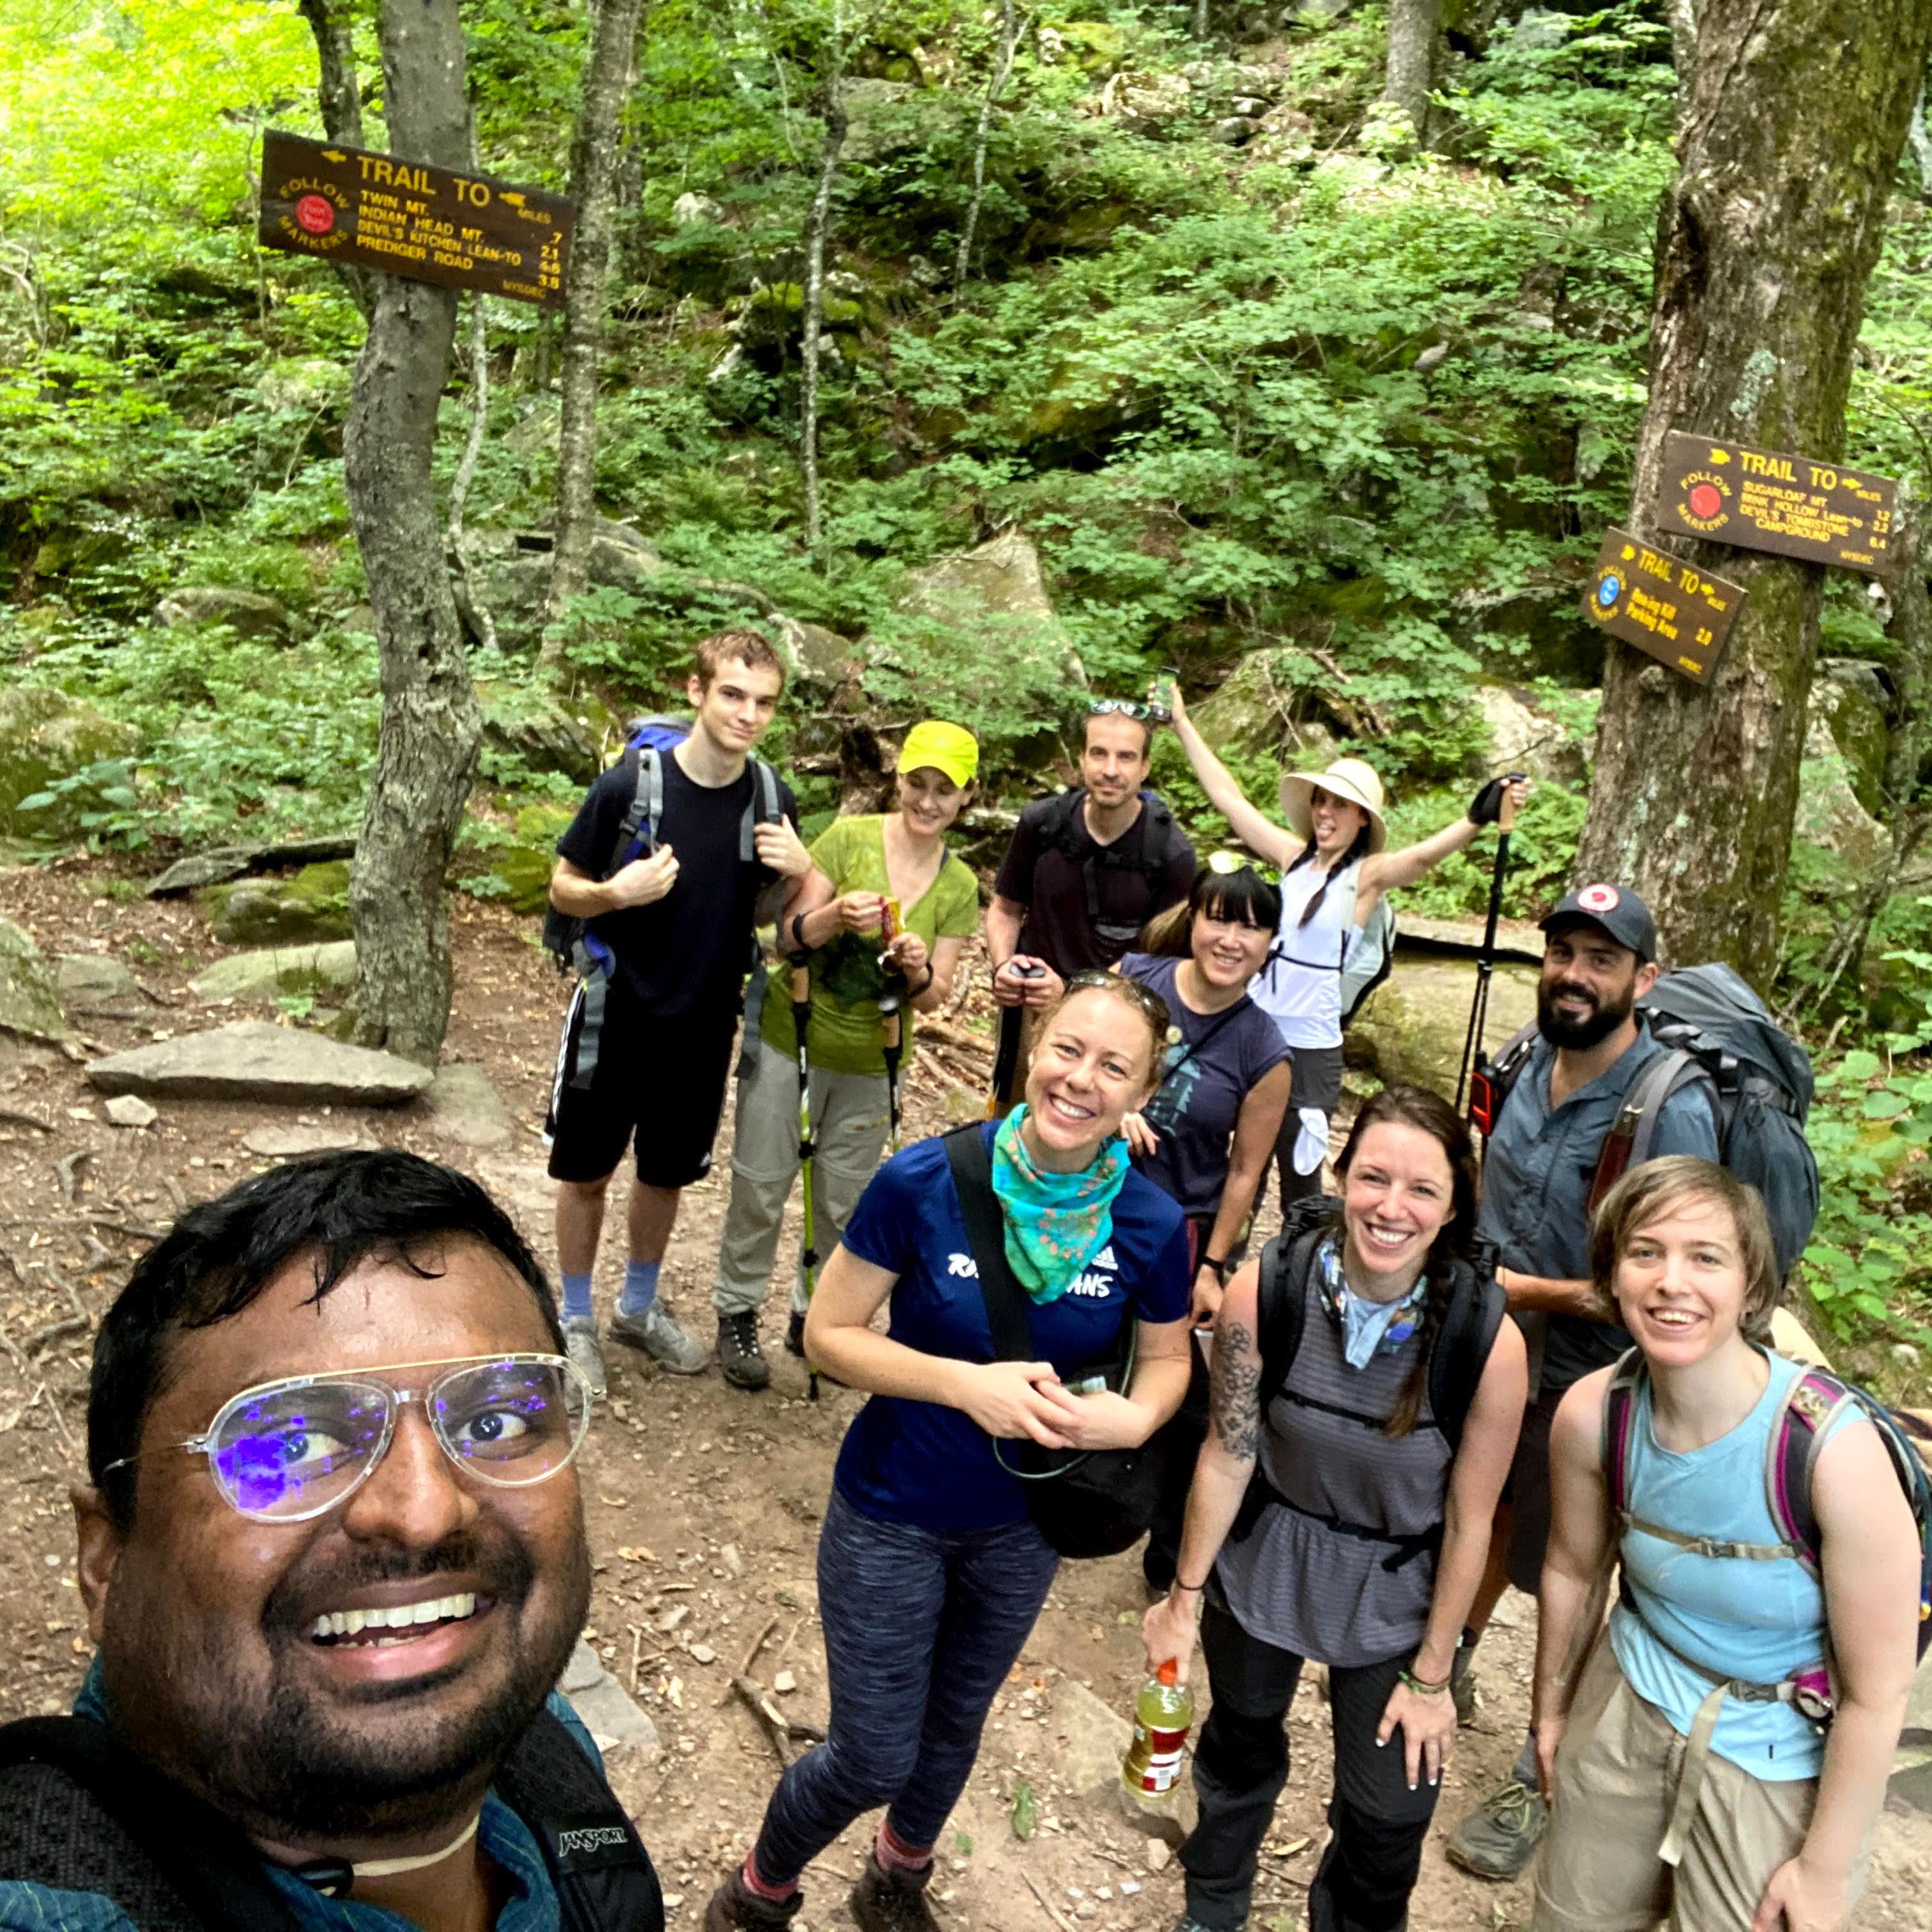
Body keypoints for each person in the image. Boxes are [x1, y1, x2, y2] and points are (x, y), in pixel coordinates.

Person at [0, 1149, 663, 1932]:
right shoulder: (49, 1904)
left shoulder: (544, 1749)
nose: (424, 1513)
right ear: (105, 1561)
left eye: (495, 1423)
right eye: (289, 1447)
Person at [704, 974, 1193, 1932]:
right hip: (893, 1509)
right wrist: (967, 1386)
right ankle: (759, 1890)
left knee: (955, 1723)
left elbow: (1171, 1362)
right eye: (1066, 1049)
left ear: (1141, 1095)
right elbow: (829, 1336)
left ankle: (897, 1874)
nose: (1080, 1079)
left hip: (1027, 1525)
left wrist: (1135, 1421)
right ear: (1031, 1047)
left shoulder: (1151, 1224)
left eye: (1113, 1067)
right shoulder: (925, 1180)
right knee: (873, 1753)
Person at [1142, 1087, 1527, 1932]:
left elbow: (1471, 1523)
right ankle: (1213, 1906)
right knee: (1235, 1753)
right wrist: (1181, 1597)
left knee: (1388, 1818)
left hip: (1397, 1589)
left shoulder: (1483, 1340)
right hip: (1265, 1561)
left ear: (1456, 1205)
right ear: (1340, 1176)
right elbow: (1229, 1451)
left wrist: (1435, 1675)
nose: (1392, 1208)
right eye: (1373, 1178)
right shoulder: (1266, 1290)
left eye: (1423, 1190)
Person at [1532, 1158, 1919, 1932]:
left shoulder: (1829, 1454)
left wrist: (1823, 1868)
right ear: (1613, 1277)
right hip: (1631, 1703)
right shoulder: (1593, 1415)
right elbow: (1574, 1570)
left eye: (1706, 1257)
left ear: (1751, 1288)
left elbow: (1878, 1694)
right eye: (1646, 1252)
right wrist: (1550, 1715)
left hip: (1780, 1747)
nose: (1672, 1281)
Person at [1446, 882, 1723, 1882]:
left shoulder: (1670, 1107)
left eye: (1602, 960)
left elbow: (1666, 1291)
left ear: (1644, 981)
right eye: (1563, 952)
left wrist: (1529, 1292)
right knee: (1478, 1510)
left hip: (1599, 1375)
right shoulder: (1527, 1061)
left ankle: (1537, 1772)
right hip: (1495, 1344)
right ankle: (1452, 1663)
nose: (1574, 975)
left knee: (1575, 1568)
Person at [545, 629, 822, 1396]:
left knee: (665, 1174)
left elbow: (782, 916)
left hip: (704, 1023)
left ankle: (636, 1306)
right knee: (587, 1170)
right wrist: (612, 895)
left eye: (764, 702)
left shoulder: (772, 799)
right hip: (615, 1016)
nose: (748, 714)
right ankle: (575, 1320)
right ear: (697, 691)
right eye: (732, 694)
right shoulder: (630, 786)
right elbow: (562, 884)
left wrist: (805, 872)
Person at [1167, 687, 1526, 1208]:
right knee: (1240, 1163)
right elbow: (1229, 799)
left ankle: (1297, 1274)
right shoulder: (1293, 860)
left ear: (1362, 820)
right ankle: (1220, 1267)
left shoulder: (1366, 878)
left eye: (1340, 804)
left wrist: (1475, 819)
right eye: (1321, 800)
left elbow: (1422, 860)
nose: (1325, 812)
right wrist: (1181, 722)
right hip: (1255, 1030)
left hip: (1312, 1048)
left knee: (1299, 1175)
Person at [710, 720, 983, 1391]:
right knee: (762, 1178)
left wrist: (916, 967)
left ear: (967, 798)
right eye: (917, 784)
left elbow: (933, 998)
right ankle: (737, 1308)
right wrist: (834, 918)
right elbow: (788, 939)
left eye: (943, 791)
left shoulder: (959, 887)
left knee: (845, 1202)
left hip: (874, 1061)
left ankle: (816, 1319)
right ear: (899, 781)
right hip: (791, 1036)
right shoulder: (848, 838)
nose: (926, 801)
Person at [1117, 855, 1295, 1592]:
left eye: (1251, 929)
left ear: (1270, 946)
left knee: (1172, 1383)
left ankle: (1163, 1546)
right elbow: (1067, 1052)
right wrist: (1114, 1106)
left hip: (1180, 1227)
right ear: (1194, 918)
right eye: (1219, 918)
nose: (1231, 939)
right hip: (1093, 1200)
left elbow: (1247, 1171)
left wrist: (1215, 1266)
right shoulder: (1136, 980)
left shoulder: (1265, 1050)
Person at [985, 701, 1197, 1105]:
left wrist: (1070, 996)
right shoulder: (1042, 824)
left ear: (1145, 768)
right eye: (1099, 753)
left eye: (1126, 757)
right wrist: (1003, 966)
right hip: (1029, 1011)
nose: (1111, 770)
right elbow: (1005, 909)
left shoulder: (1171, 855)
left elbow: (1168, 966)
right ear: (1081, 760)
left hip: (1117, 1030)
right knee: (1013, 1123)